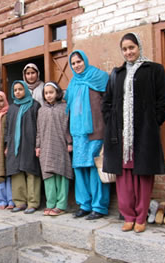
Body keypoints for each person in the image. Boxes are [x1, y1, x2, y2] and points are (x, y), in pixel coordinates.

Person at [102, 33, 165, 233]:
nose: (128, 52)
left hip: (144, 134)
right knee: (124, 178)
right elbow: (106, 102)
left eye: (131, 47)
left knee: (143, 176)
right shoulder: (117, 73)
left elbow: (163, 100)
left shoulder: (154, 70)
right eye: (124, 49)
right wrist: (111, 121)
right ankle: (128, 216)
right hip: (121, 135)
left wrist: (154, 121)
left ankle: (141, 217)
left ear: (139, 47)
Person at [64, 50, 110, 220]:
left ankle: (99, 206)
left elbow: (109, 104)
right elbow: (68, 107)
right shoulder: (73, 83)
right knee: (80, 169)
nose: (76, 65)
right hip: (78, 134)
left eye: (79, 61)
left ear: (86, 60)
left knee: (94, 168)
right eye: (73, 63)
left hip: (96, 132)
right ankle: (84, 205)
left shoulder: (100, 77)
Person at [36, 81, 73, 216]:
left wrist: (70, 142)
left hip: (61, 145)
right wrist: (38, 146)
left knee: (61, 174)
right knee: (48, 175)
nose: (49, 95)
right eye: (46, 93)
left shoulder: (64, 108)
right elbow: (39, 130)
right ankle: (50, 203)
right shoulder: (41, 110)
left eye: (51, 92)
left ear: (57, 93)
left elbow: (68, 127)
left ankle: (61, 205)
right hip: (46, 146)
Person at [5, 80, 41, 214]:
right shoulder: (12, 108)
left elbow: (39, 126)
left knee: (31, 171)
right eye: (15, 90)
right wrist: (7, 144)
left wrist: (38, 144)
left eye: (20, 89)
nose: (18, 92)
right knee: (16, 172)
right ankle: (20, 202)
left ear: (25, 90)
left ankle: (33, 202)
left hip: (30, 143)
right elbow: (7, 127)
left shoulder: (34, 105)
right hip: (15, 145)